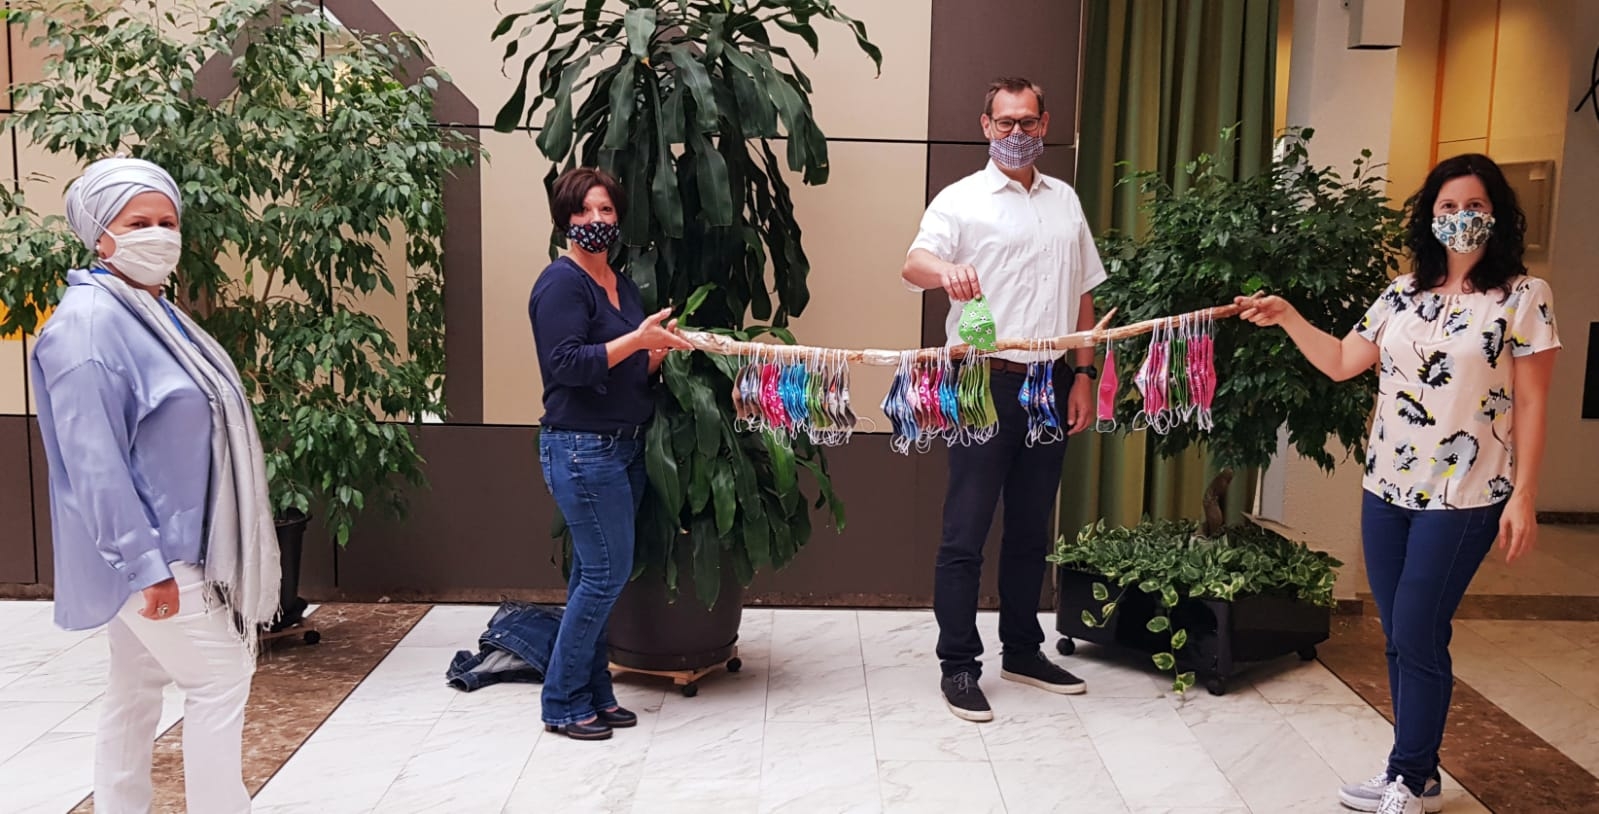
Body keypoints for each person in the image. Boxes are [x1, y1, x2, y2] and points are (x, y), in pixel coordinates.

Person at [1236, 153, 1560, 814]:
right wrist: (1288, 315)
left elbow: (1530, 404)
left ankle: (1409, 778)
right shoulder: (1401, 293)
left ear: (1495, 213)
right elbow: (1339, 362)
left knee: (1415, 627)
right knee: (1399, 631)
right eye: (1446, 208)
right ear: (1428, 216)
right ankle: (1414, 771)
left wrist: (1523, 495)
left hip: (1464, 495)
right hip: (1386, 488)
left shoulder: (1525, 297)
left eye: (1473, 206)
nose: (1460, 218)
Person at [32, 156, 280, 813]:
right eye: (138, 221)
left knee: (135, 686)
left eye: (168, 220)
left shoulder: (151, 310)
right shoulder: (87, 327)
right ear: (98, 232)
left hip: (178, 542)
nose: (159, 233)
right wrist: (146, 567)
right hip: (154, 553)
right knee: (222, 678)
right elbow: (95, 464)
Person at [902, 77, 1107, 722]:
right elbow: (914, 263)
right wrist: (946, 273)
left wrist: (1084, 374)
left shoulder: (1065, 201)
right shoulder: (960, 200)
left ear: (1046, 123)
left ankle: (1022, 649)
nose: (1018, 133)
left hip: (1050, 381)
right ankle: (958, 665)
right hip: (982, 379)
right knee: (966, 530)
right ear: (985, 126)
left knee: (1029, 526)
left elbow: (1084, 295)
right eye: (1005, 122)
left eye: (1029, 122)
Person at [528, 167, 692, 741]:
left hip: (622, 447)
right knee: (604, 575)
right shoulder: (562, 284)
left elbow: (627, 367)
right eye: (584, 212)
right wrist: (636, 340)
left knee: (595, 578)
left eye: (605, 211)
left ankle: (595, 693)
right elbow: (568, 364)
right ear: (565, 219)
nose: (596, 221)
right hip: (582, 448)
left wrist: (661, 351)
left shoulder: (621, 284)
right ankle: (563, 700)